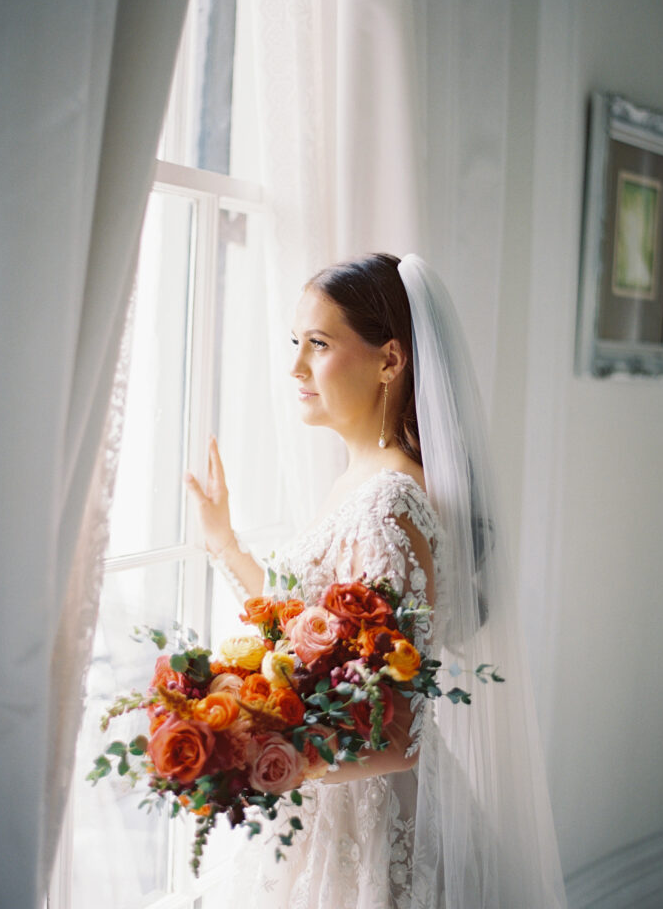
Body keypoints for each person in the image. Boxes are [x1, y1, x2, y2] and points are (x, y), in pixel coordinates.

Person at [186, 253, 567, 909]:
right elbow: (301, 631)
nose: (295, 367)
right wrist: (224, 542)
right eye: (294, 343)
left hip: (365, 837)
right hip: (324, 814)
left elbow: (397, 734)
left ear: (390, 360)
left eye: (319, 344)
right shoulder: (360, 482)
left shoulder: (387, 500)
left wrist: (257, 759)